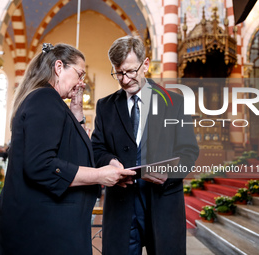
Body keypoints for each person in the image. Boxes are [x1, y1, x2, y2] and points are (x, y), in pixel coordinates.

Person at [0, 43, 136, 255]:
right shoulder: (45, 99)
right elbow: (41, 166)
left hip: (50, 228)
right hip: (44, 233)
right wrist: (100, 175)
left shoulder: (48, 101)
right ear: (59, 67)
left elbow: (70, 151)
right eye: (79, 74)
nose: (82, 82)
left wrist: (77, 112)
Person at [91, 35, 199, 254]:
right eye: (118, 73)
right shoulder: (105, 106)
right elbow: (97, 148)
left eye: (130, 71)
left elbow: (189, 152)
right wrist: (110, 162)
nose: (124, 79)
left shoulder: (174, 103)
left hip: (163, 204)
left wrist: (168, 173)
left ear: (146, 65)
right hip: (121, 207)